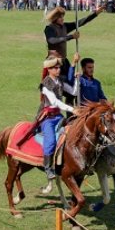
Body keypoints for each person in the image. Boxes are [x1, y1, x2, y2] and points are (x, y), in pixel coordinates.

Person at [44, 5, 103, 102]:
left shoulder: (65, 27)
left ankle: (72, 115)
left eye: (63, 16)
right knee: (61, 91)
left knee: (72, 92)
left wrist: (95, 13)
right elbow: (52, 41)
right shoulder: (49, 28)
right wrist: (70, 37)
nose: (63, 19)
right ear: (55, 18)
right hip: (54, 63)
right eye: (60, 17)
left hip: (64, 62)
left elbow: (80, 22)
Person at [37, 56, 79, 194]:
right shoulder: (45, 85)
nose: (58, 69)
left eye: (59, 67)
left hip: (59, 117)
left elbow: (73, 92)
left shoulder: (60, 81)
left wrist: (77, 80)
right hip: (47, 118)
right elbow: (55, 102)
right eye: (55, 67)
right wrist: (72, 109)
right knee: (50, 141)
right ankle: (48, 169)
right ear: (49, 69)